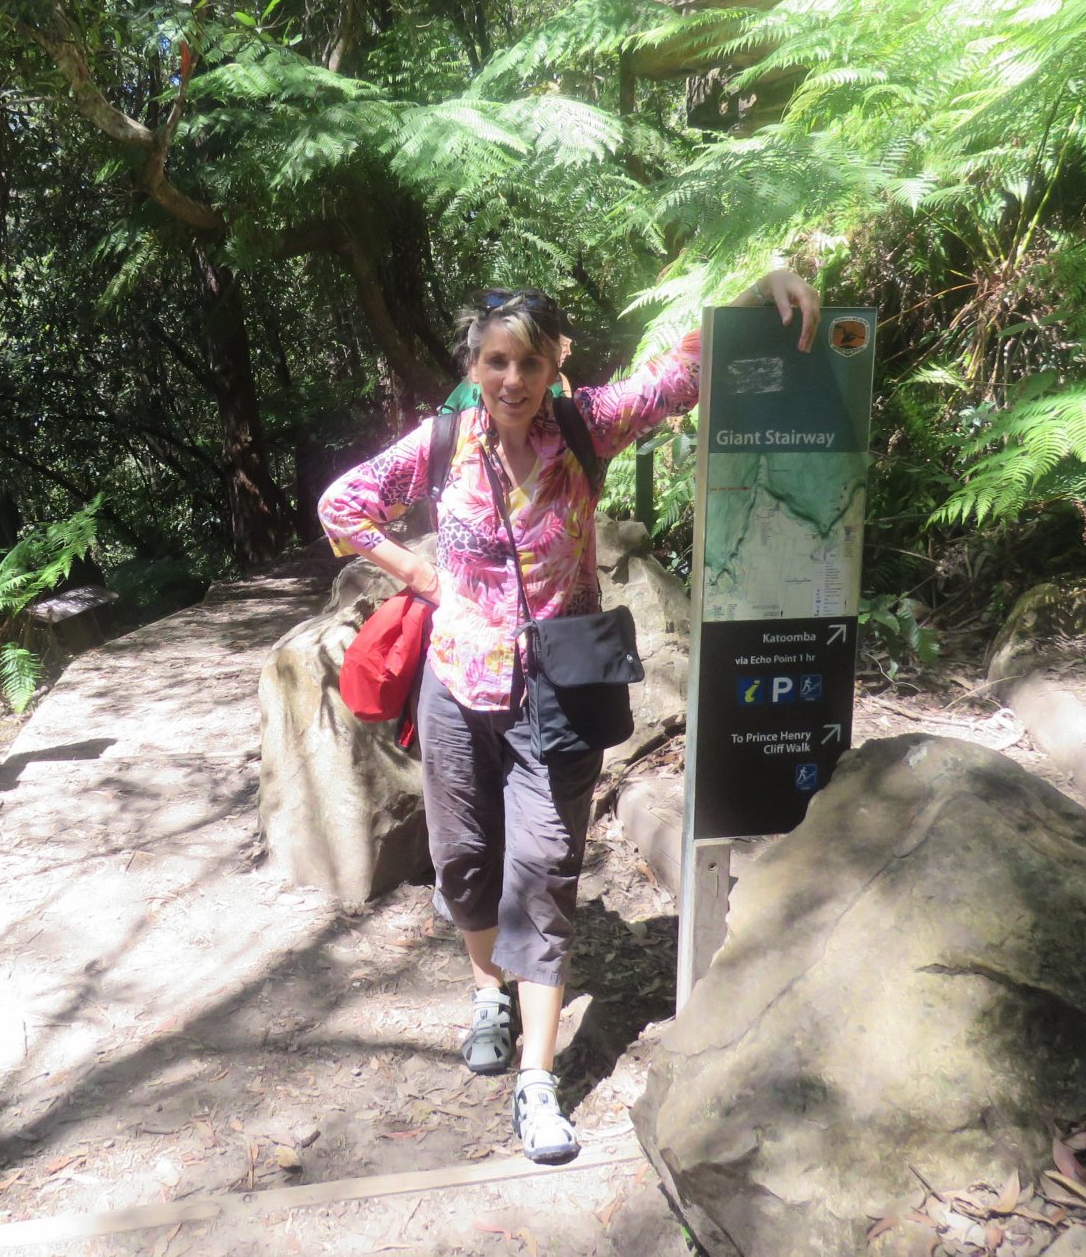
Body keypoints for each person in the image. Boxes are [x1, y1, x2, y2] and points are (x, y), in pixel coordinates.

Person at [317, 271, 821, 1163]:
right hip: (453, 691)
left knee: (544, 870)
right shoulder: (441, 444)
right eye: (495, 361)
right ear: (474, 364)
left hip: (559, 692)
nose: (511, 379)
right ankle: (487, 991)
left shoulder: (586, 426)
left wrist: (758, 292)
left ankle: (539, 1083)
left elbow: (679, 373)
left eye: (529, 362)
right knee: (465, 861)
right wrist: (423, 576)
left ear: (557, 366)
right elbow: (343, 507)